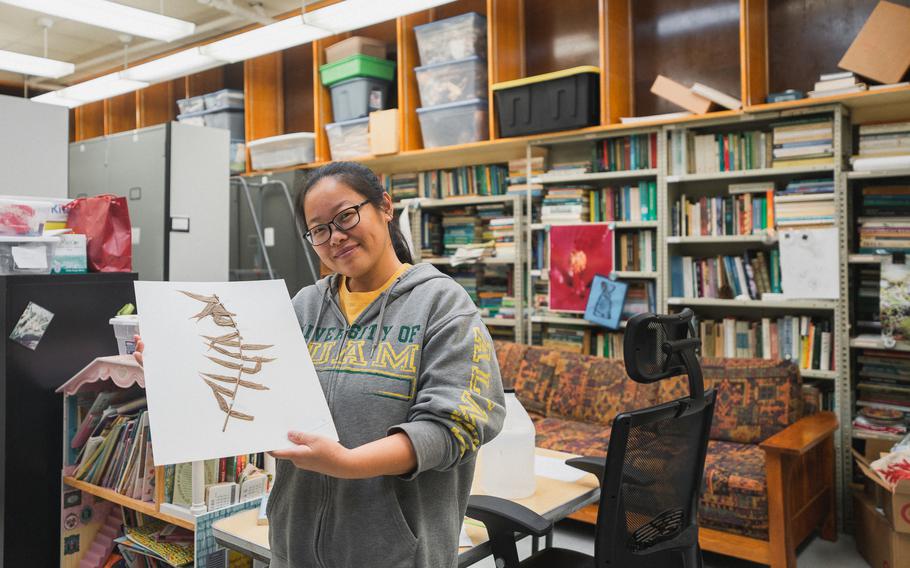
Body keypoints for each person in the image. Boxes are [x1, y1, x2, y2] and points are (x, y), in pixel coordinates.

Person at [134, 161, 506, 568]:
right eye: (319, 229)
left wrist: (349, 464)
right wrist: (175, 367)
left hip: (394, 553)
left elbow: (456, 427)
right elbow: (253, 393)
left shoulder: (443, 306)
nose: (335, 238)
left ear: (385, 206)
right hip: (295, 546)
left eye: (346, 216)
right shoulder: (304, 307)